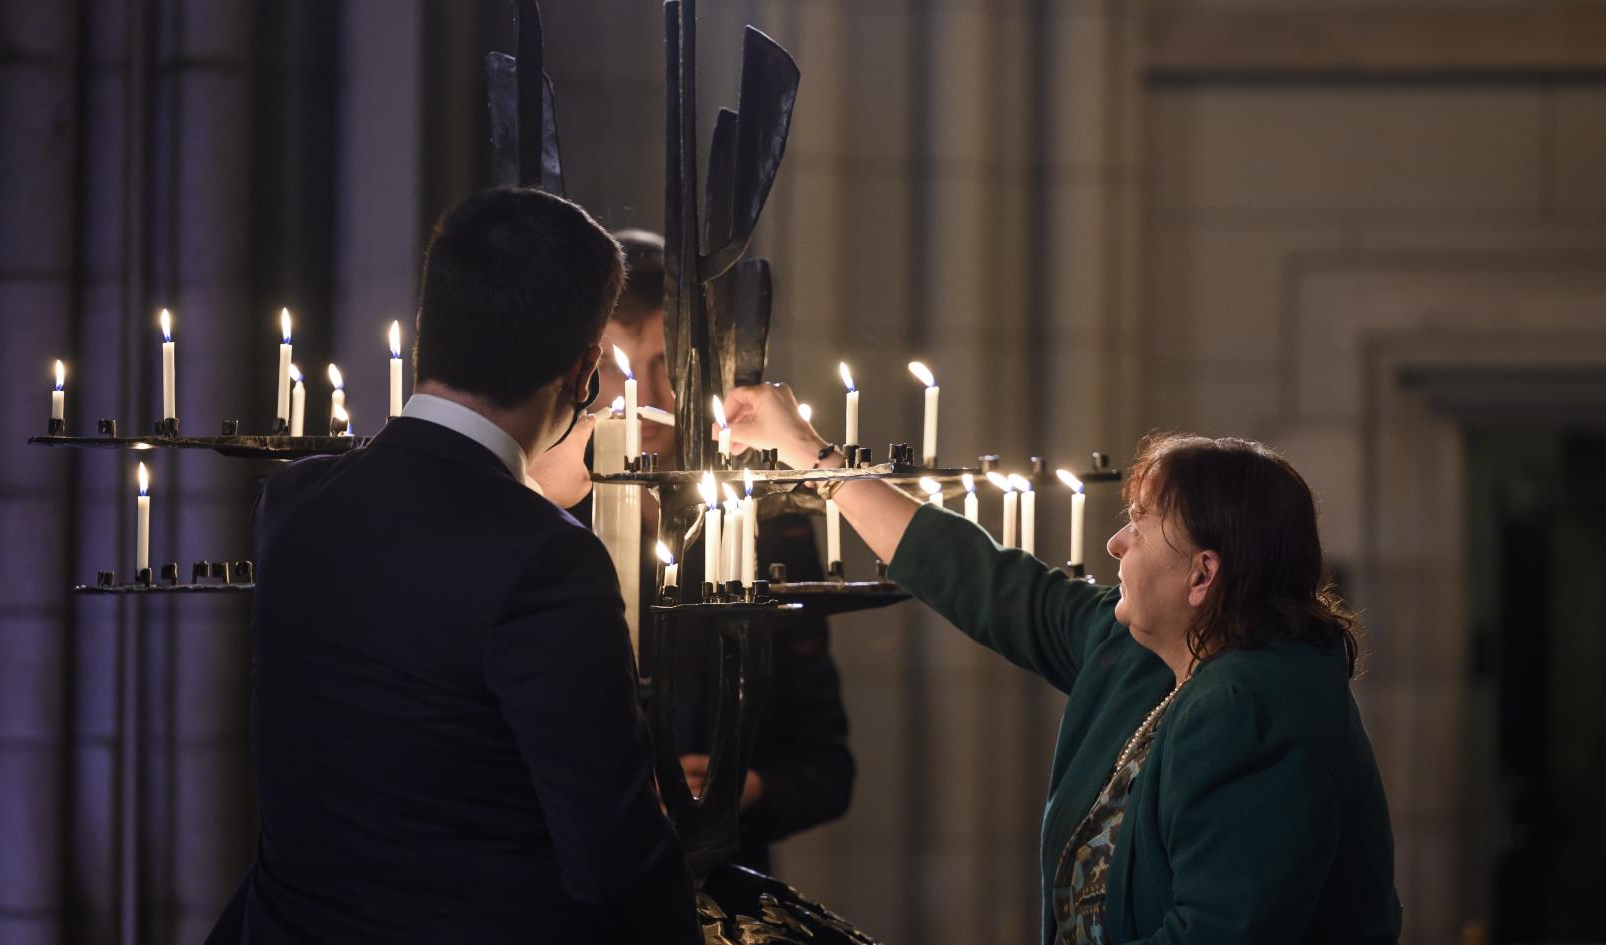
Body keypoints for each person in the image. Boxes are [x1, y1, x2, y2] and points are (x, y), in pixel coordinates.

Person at [722, 382, 1403, 945]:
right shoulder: (1143, 652)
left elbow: (1217, 934)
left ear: (1202, 575)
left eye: (1138, 524)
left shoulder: (1254, 707)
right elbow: (985, 580)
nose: (1114, 542)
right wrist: (807, 452)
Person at [208, 189, 701, 945]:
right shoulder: (548, 558)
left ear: (428, 327)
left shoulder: (296, 499)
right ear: (585, 372)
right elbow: (614, 860)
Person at [572, 229, 854, 872]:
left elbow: (828, 766)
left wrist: (741, 787)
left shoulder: (767, 529)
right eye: (617, 369)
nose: (643, 397)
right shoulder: (548, 523)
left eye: (666, 366)